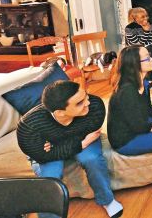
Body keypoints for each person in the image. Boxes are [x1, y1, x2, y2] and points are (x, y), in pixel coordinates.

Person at [16, 81, 123, 218]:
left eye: (86, 96)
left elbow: (92, 131)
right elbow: (41, 156)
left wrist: (56, 144)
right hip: (73, 143)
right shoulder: (28, 126)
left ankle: (107, 200)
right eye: (79, 103)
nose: (88, 103)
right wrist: (82, 143)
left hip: (61, 145)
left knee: (91, 159)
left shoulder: (95, 106)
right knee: (50, 177)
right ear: (60, 112)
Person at [124, 7, 152, 90]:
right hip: (133, 50)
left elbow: (149, 40)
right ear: (135, 18)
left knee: (149, 52)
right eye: (142, 17)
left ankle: (150, 81)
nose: (146, 18)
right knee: (149, 52)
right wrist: (146, 31)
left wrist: (147, 31)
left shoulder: (150, 24)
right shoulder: (129, 28)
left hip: (147, 48)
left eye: (146, 16)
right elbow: (137, 44)